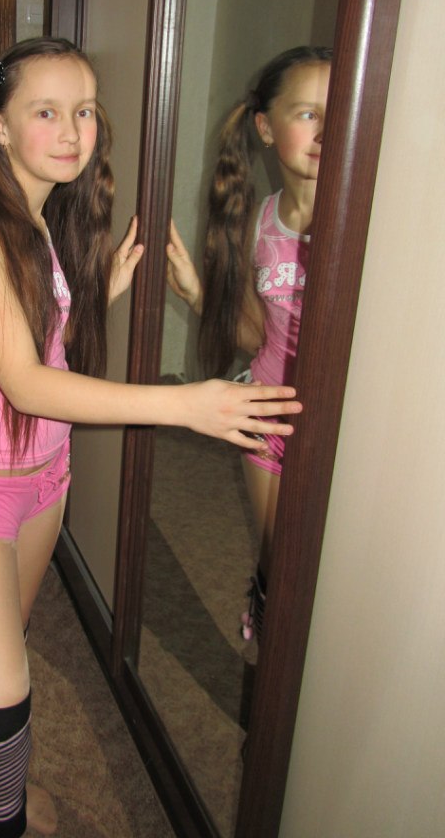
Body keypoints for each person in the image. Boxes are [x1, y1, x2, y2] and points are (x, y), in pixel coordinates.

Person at [0, 37, 302, 837]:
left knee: (6, 640)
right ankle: (7, 815)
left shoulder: (35, 218)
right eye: (46, 112)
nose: (71, 131)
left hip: (46, 476)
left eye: (84, 111)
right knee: (5, 694)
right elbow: (24, 383)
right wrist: (182, 405)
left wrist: (101, 295)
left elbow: (35, 345)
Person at [166, 45, 331, 642]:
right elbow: (257, 334)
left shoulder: (364, 222)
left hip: (337, 423)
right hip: (268, 412)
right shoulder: (261, 222)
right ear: (265, 127)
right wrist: (197, 294)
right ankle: (266, 617)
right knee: (278, 557)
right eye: (307, 114)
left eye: (340, 114)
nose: (326, 131)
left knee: (324, 567)